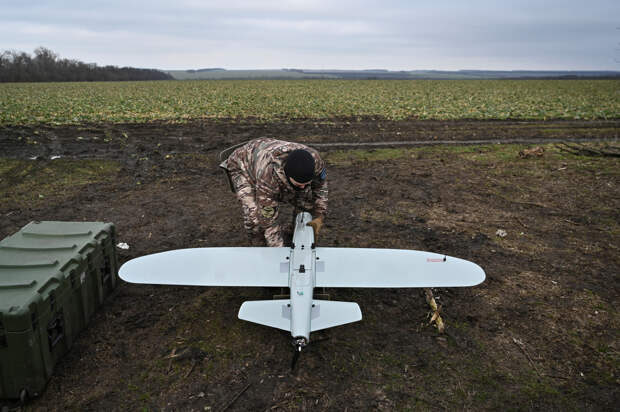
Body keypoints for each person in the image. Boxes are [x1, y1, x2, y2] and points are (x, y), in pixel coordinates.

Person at [219, 138, 327, 247]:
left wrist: (318, 217)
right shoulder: (268, 178)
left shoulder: (316, 162)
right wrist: (278, 254)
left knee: (306, 201)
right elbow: (269, 223)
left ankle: (293, 235)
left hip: (263, 152)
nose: (303, 187)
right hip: (242, 165)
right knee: (254, 219)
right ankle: (258, 248)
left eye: (307, 183)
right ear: (288, 175)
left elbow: (320, 189)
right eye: (299, 184)